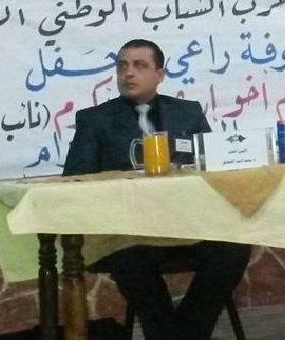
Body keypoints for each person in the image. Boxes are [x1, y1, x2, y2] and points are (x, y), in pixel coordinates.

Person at [63, 39, 251, 339]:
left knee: (233, 249)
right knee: (131, 258)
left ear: (160, 75)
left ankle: (185, 334)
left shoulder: (187, 113)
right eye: (122, 66)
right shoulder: (95, 120)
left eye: (139, 65)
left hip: (184, 224)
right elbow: (73, 178)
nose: (128, 73)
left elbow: (212, 164)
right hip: (126, 231)